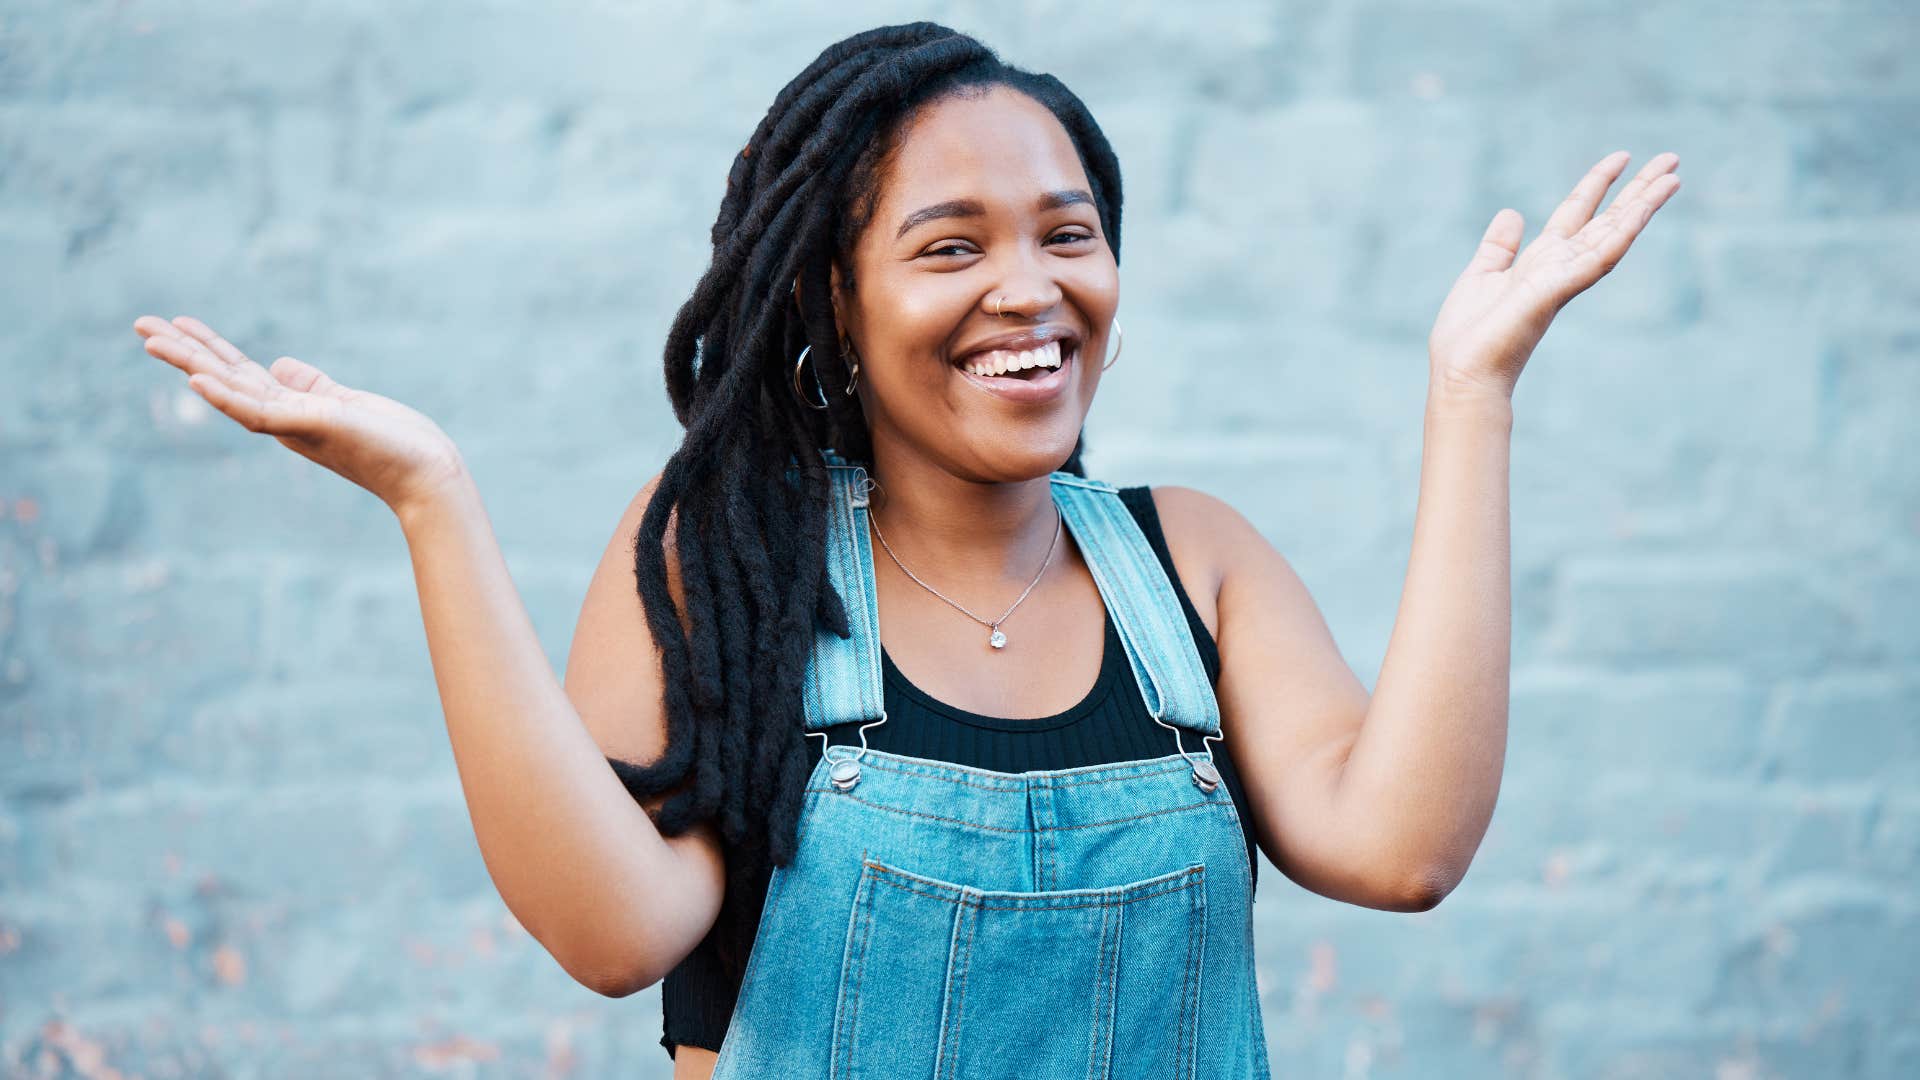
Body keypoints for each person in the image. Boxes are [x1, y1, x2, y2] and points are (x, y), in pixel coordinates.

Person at [130, 19, 1679, 1079]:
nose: (1031, 288)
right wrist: (434, 505)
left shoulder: (1191, 566)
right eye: (951, 247)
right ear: (830, 301)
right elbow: (612, 935)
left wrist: (1472, 394)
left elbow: (1400, 850)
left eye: (1067, 234)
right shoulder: (731, 559)